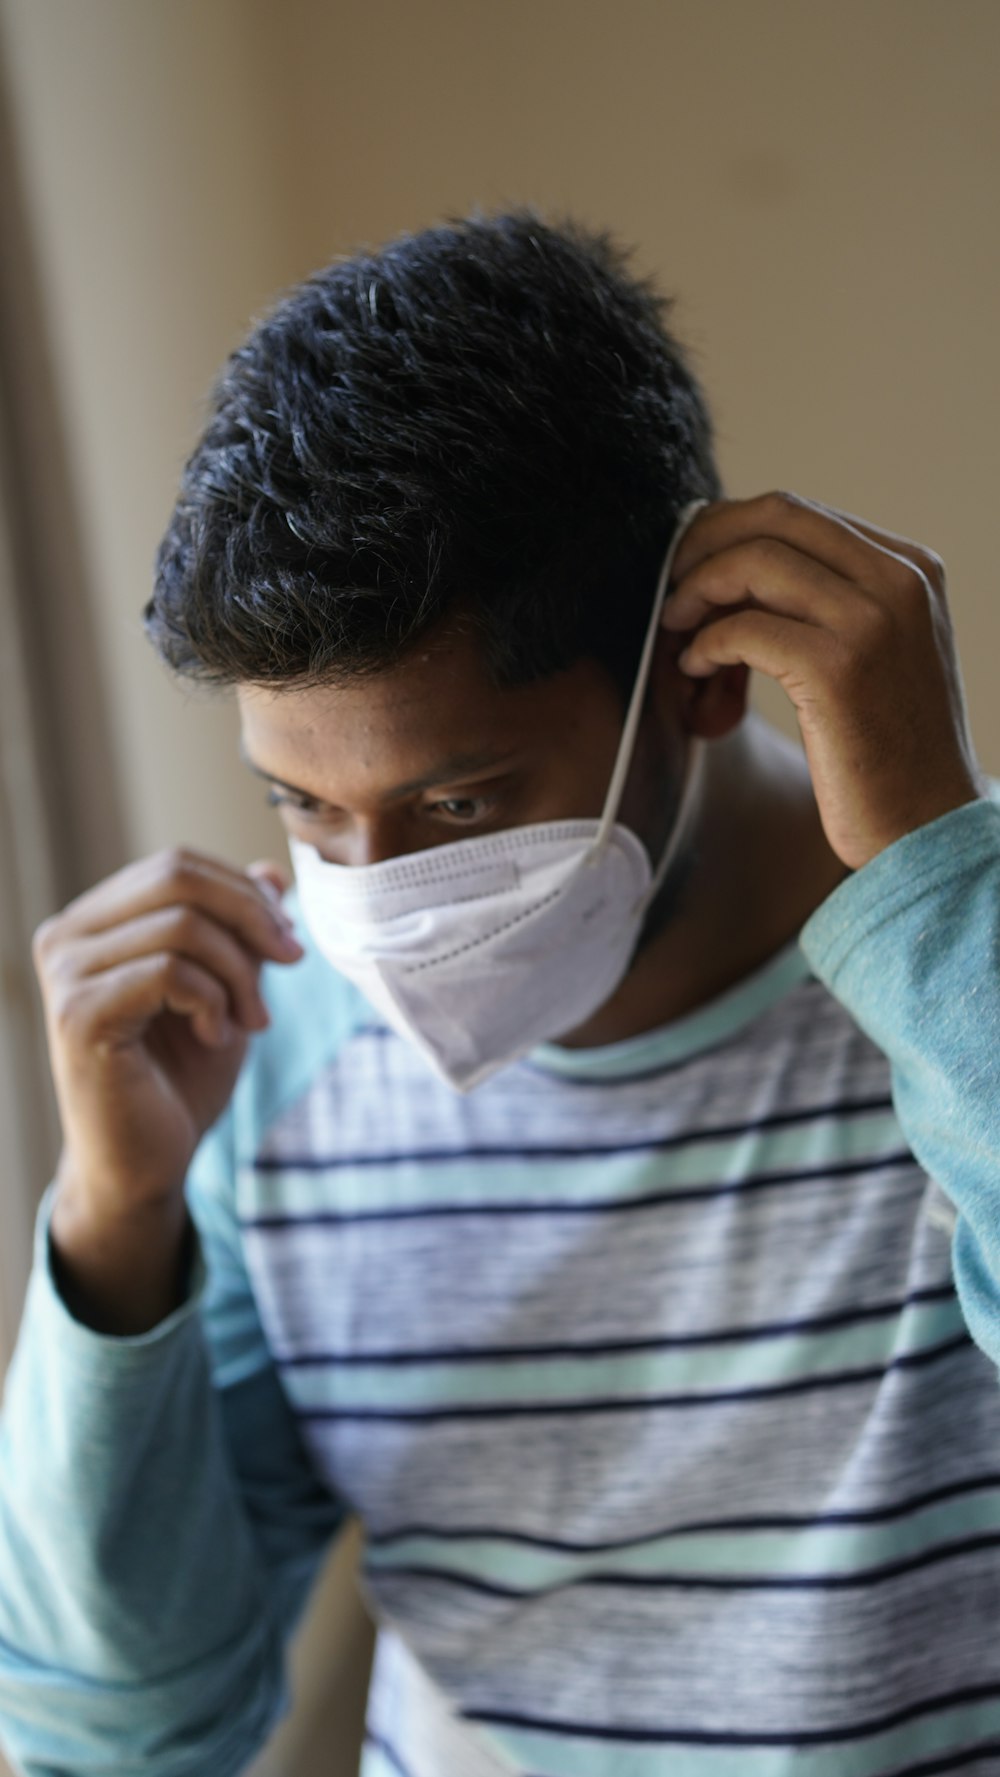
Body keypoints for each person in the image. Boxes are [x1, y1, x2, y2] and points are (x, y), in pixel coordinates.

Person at [1, 209, 998, 1777]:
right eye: (303, 806)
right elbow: (120, 1736)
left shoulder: (965, 995)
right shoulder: (265, 1047)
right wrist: (111, 1237)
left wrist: (947, 893)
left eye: (456, 807)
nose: (378, 901)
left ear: (702, 680)